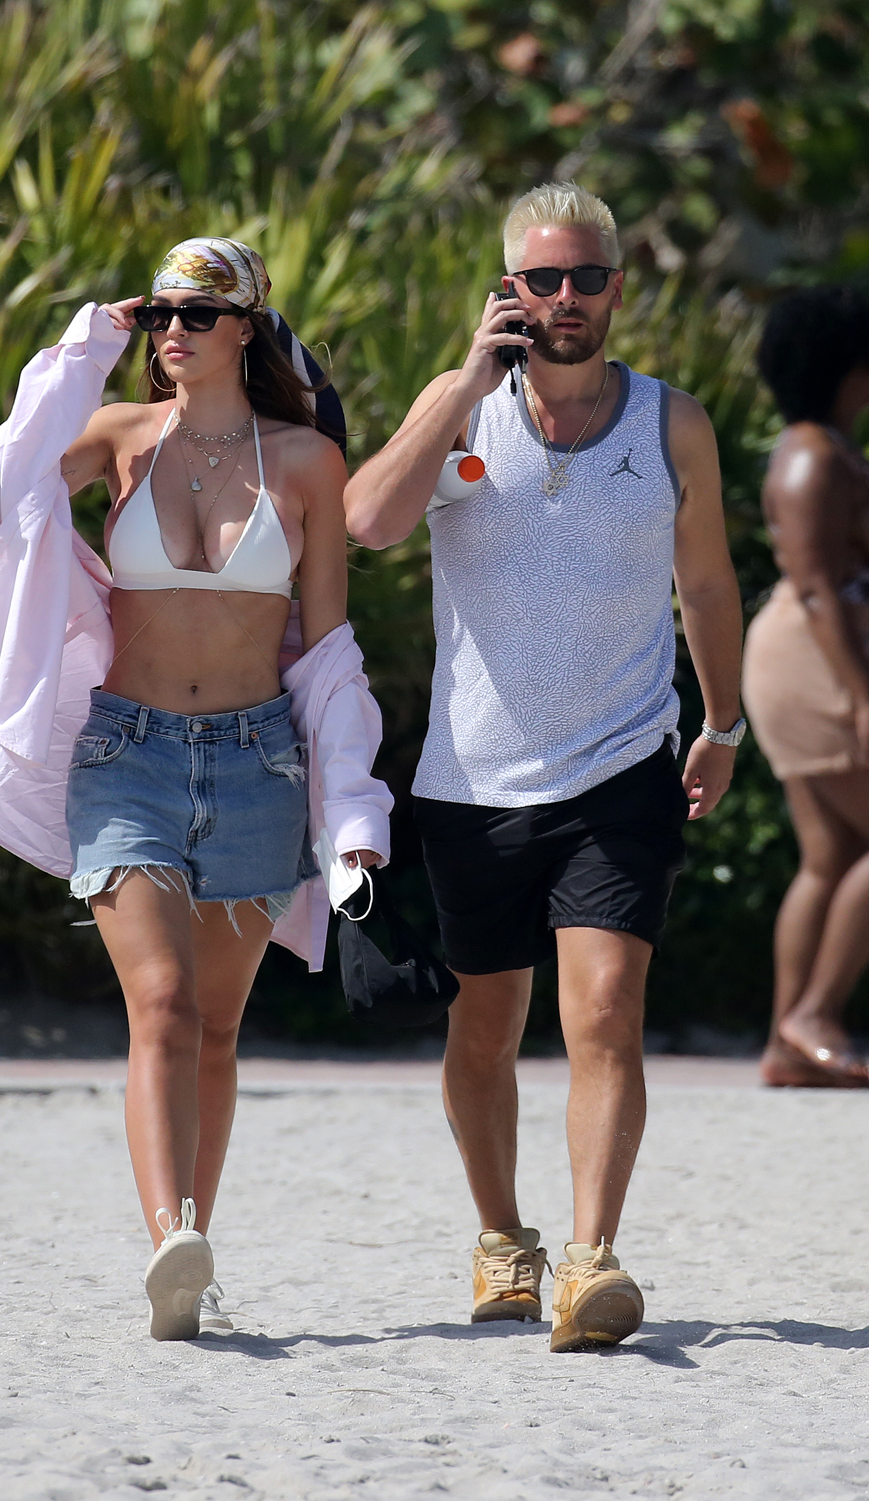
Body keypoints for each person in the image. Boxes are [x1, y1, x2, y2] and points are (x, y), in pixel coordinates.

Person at [0, 237, 392, 1339]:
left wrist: (353, 816)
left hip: (257, 760)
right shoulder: (116, 438)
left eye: (198, 314)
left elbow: (329, 648)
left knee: (216, 1029)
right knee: (160, 1003)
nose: (175, 333)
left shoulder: (304, 460)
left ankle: (192, 1255)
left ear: (246, 325)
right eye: (162, 317)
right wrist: (82, 346)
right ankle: (171, 1239)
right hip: (126, 755)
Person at [344, 183, 743, 1352]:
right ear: (507, 287)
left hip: (623, 767)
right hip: (472, 780)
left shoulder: (672, 423)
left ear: (620, 286)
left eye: (587, 278)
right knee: (485, 1026)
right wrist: (460, 387)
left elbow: (707, 586)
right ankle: (503, 1238)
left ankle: (590, 1260)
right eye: (542, 279)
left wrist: (719, 726)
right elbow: (366, 521)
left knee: (606, 1014)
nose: (565, 299)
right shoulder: (459, 408)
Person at [743, 287, 869, 1089]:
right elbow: (820, 585)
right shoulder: (813, 455)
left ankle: (788, 1046)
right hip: (816, 659)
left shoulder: (822, 445)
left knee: (831, 856)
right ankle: (815, 1013)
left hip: (818, 653)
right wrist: (862, 696)